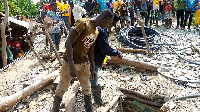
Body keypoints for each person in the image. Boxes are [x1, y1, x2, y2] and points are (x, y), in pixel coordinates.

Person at [52, 9, 114, 112]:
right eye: (108, 23)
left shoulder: (96, 31)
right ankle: (55, 110)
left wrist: (93, 68)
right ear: (104, 19)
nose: (107, 26)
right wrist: (71, 66)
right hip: (70, 63)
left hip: (84, 64)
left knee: (87, 88)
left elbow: (91, 51)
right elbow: (68, 43)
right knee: (62, 88)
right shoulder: (83, 23)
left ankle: (89, 110)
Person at [89, 13, 122, 106]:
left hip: (89, 57)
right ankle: (97, 101)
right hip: (93, 59)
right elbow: (105, 48)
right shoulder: (101, 30)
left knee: (89, 78)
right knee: (93, 79)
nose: (112, 25)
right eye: (112, 23)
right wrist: (117, 52)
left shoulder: (96, 27)